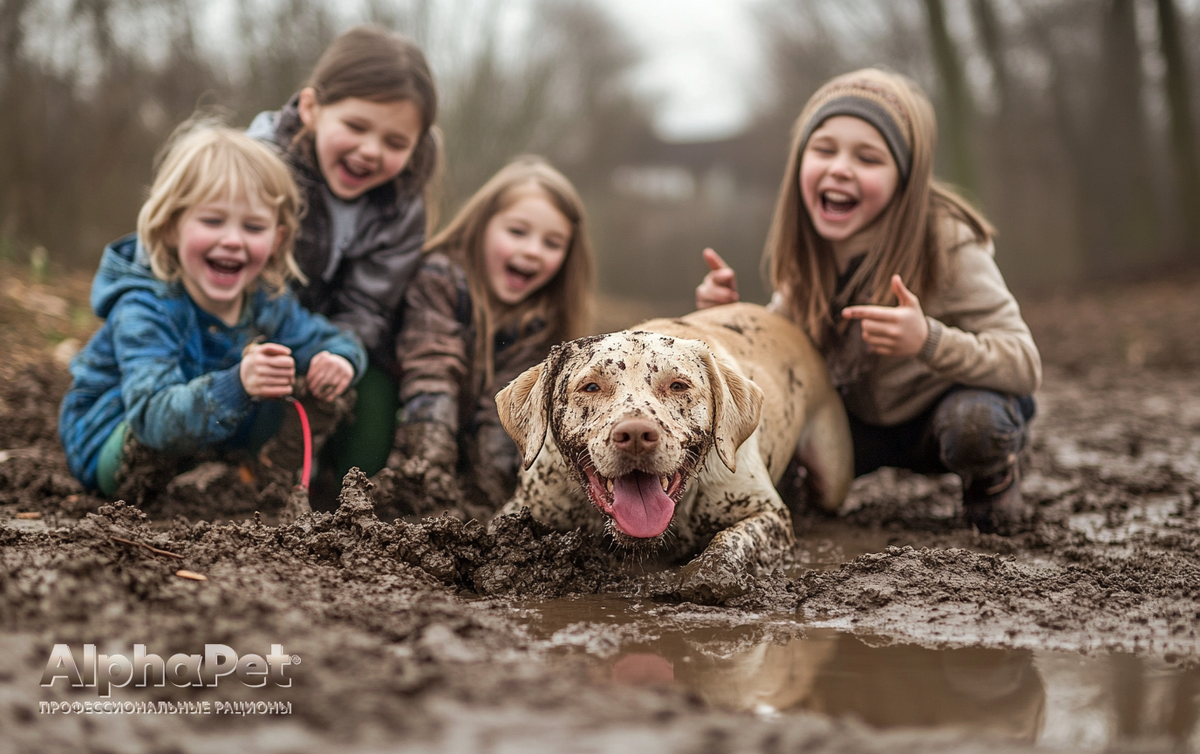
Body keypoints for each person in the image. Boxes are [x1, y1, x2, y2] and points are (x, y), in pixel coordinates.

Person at [695, 68, 1041, 533]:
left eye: (868, 157)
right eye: (824, 149)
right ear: (800, 162)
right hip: (860, 426)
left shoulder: (948, 242)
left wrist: (928, 341)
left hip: (944, 417)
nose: (840, 168)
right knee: (787, 463)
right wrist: (728, 321)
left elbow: (1024, 363)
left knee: (975, 425)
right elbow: (782, 356)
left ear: (905, 178)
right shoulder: (808, 255)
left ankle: (993, 479)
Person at [59, 122, 367, 504]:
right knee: (159, 431)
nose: (233, 240)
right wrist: (238, 384)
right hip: (115, 437)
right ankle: (170, 489)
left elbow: (336, 340)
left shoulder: (267, 301)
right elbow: (154, 415)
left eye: (253, 227)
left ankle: (266, 478)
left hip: (216, 439)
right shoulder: (146, 307)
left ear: (277, 240)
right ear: (172, 228)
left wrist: (338, 361)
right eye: (212, 221)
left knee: (314, 383)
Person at [247, 24, 439, 480]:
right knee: (256, 422)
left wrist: (339, 352)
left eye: (395, 143)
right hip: (251, 333)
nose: (369, 151)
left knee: (369, 446)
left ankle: (333, 487)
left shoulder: (402, 204)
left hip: (340, 342)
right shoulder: (258, 166)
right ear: (312, 108)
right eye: (355, 126)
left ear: (415, 147)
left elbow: (369, 304)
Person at [375, 156, 595, 514]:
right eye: (517, 232)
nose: (532, 251)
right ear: (481, 226)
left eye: (552, 243)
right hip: (408, 422)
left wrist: (489, 496)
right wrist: (430, 465)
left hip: (476, 445)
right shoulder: (438, 278)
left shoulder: (547, 321)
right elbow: (433, 371)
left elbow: (504, 411)